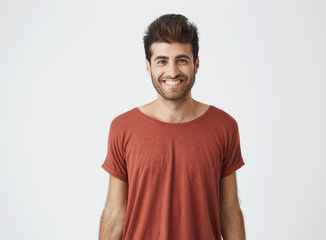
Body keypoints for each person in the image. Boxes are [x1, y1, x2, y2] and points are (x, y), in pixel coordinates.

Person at [99, 14, 245, 240]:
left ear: (196, 64)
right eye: (162, 61)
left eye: (182, 60)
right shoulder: (123, 128)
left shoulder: (224, 127)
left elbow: (229, 209)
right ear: (148, 66)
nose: (172, 71)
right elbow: (115, 211)